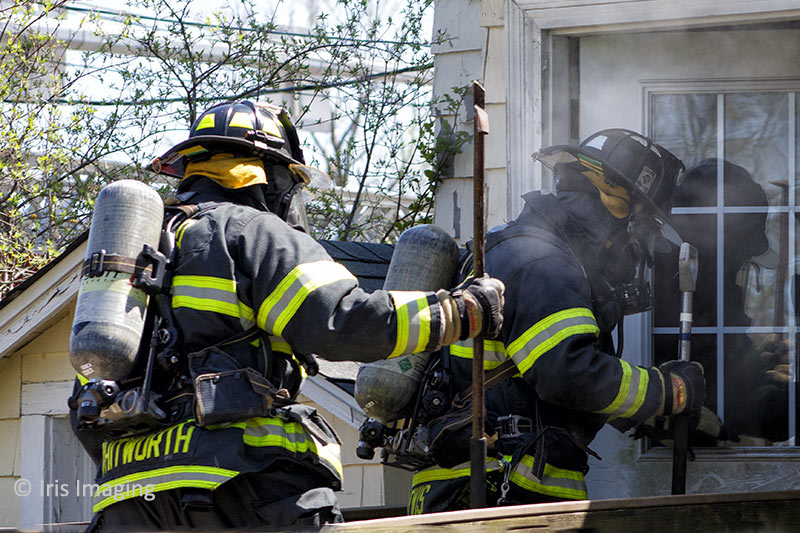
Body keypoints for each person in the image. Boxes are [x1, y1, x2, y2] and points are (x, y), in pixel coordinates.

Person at [70, 100, 505, 531]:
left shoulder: (129, 261)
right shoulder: (251, 231)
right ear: (270, 175)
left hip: (127, 501)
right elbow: (344, 322)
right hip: (246, 488)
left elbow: (85, 409)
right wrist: (462, 311)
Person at [407, 129, 719, 514]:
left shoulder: (525, 248)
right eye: (640, 224)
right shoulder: (543, 263)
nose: (636, 244)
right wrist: (668, 392)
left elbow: (531, 379)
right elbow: (567, 375)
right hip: (500, 492)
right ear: (612, 202)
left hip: (484, 490)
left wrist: (647, 413)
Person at [654, 158, 787, 444]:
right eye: (741, 257)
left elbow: (728, 365)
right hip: (684, 460)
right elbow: (736, 403)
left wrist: (760, 364)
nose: (742, 268)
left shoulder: (695, 283)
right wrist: (781, 401)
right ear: (727, 249)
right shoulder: (687, 293)